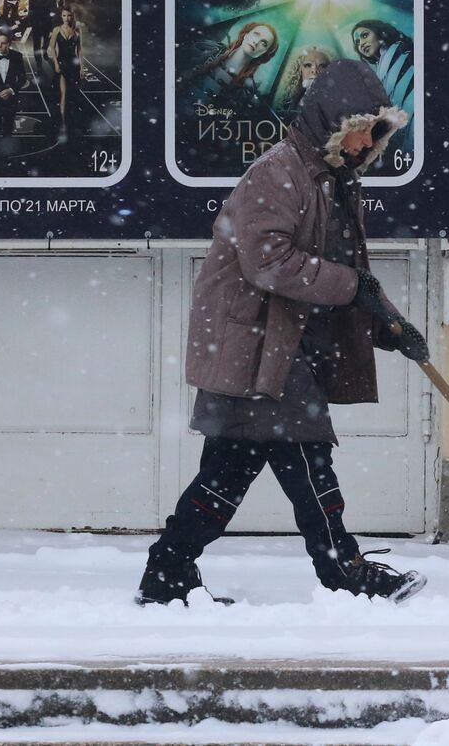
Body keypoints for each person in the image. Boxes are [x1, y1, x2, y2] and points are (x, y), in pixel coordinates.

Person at [137, 59, 425, 606]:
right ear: (333, 123)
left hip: (284, 346)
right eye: (363, 128)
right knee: (308, 458)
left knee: (228, 472)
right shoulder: (280, 172)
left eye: (378, 131)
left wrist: (389, 323)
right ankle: (343, 571)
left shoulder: (330, 177)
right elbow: (269, 262)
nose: (369, 142)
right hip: (258, 347)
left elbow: (347, 270)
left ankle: (168, 571)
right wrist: (353, 290)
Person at [352, 19, 415, 169]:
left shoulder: (403, 50)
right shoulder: (381, 68)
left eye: (365, 35)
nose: (361, 43)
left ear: (379, 31)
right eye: (357, 42)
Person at [181, 22, 280, 114]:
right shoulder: (211, 50)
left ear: (263, 53)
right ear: (246, 35)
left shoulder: (246, 88)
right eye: (256, 34)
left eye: (264, 43)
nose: (256, 41)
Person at [275, 46, 333, 123]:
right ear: (299, 70)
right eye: (308, 65)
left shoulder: (335, 103)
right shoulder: (288, 103)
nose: (314, 70)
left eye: (322, 66)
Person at [48, 7, 82, 129]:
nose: (66, 18)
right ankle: (63, 122)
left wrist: (82, 68)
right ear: (61, 16)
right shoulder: (56, 30)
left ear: (72, 16)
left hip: (73, 65)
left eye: (69, 16)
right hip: (62, 64)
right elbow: (52, 48)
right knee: (64, 93)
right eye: (64, 15)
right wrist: (56, 64)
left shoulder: (77, 30)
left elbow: (79, 50)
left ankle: (71, 119)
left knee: (73, 93)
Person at [25, 0, 59, 67]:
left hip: (47, 24)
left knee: (46, 42)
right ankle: (38, 64)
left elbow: (54, 13)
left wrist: (53, 28)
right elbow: (30, 11)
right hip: (36, 24)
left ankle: (44, 51)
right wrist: (30, 24)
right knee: (36, 45)